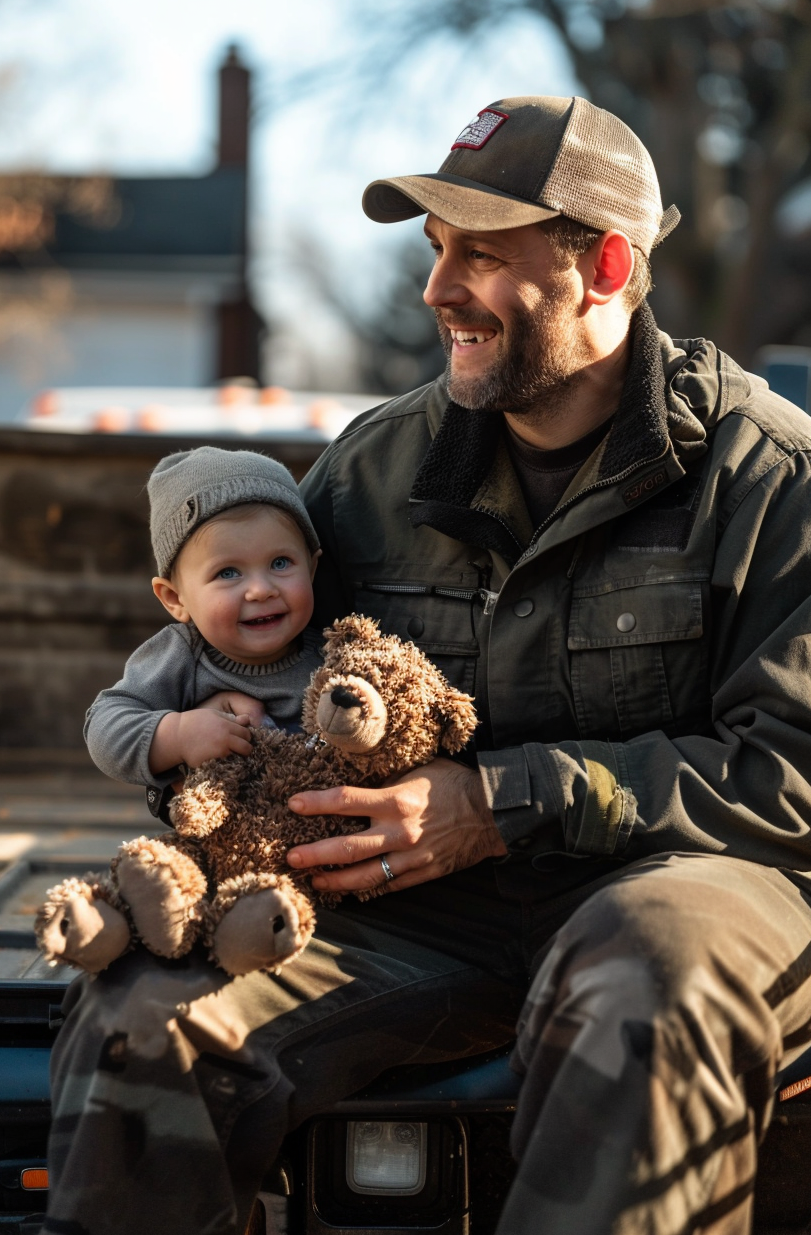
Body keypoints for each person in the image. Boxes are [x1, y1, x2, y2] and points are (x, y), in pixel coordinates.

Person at [41, 96, 811, 1235]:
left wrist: (501, 800)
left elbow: (787, 781)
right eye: (433, 248)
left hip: (671, 885)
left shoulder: (767, 479)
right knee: (148, 1016)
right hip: (421, 912)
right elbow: (237, 670)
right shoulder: (375, 467)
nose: (436, 289)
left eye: (482, 255)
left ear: (603, 264)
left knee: (647, 974)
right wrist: (190, 762)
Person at [83, 446, 323, 824]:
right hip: (229, 842)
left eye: (280, 563)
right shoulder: (183, 655)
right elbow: (103, 727)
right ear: (175, 599)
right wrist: (177, 735)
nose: (261, 590)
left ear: (311, 568)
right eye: (228, 572)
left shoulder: (335, 649)